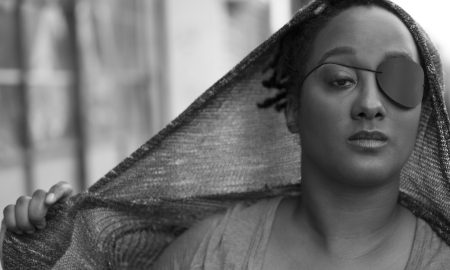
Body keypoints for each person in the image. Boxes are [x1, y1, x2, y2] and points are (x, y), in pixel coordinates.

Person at [2, 0, 450, 269]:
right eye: (340, 79)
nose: (370, 103)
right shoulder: (209, 254)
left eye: (398, 80)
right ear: (293, 108)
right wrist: (48, 258)